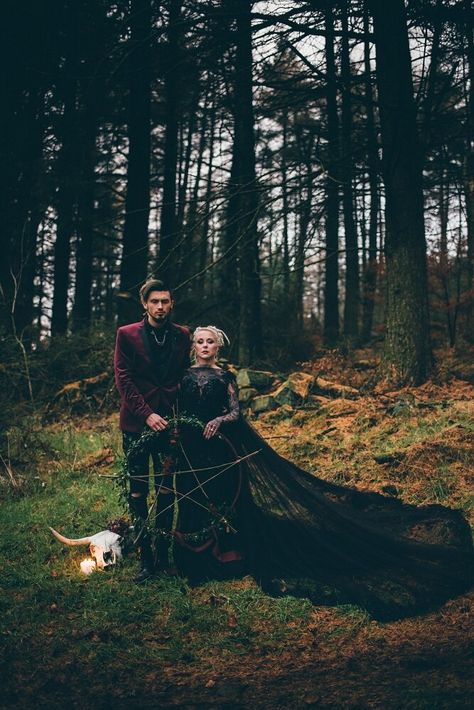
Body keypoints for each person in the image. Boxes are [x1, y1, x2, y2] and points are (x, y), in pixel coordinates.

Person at [165, 326, 473, 620]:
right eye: (200, 341)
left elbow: (235, 411)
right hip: (190, 449)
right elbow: (176, 409)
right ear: (194, 346)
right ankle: (192, 560)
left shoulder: (225, 376)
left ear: (217, 347)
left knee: (222, 498)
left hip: (221, 448)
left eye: (210, 342)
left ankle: (222, 557)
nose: (205, 346)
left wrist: (219, 421)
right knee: (191, 496)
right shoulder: (182, 376)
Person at [114, 279, 191, 582]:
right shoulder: (127, 335)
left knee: (166, 490)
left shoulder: (182, 336)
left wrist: (178, 417)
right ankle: (145, 559)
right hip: (136, 424)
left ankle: (162, 554)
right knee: (137, 490)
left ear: (172, 304)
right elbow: (124, 379)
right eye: (155, 301)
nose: (160, 307)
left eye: (166, 301)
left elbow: (184, 376)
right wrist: (146, 415)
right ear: (144, 304)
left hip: (170, 425)